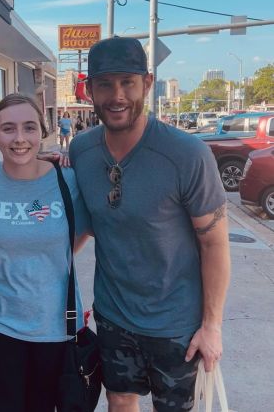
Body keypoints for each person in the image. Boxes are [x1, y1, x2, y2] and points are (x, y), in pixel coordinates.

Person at [69, 37, 230, 412]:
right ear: (89, 89)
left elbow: (215, 244)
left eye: (127, 82)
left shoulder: (187, 154)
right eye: (105, 84)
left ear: (147, 82)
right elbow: (90, 223)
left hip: (177, 325)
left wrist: (212, 326)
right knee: (120, 399)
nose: (117, 95)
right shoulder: (81, 150)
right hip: (113, 315)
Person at [0, 94, 90, 412]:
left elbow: (83, 231)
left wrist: (52, 258)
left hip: (58, 326)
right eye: (8, 129)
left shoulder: (69, 180)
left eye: (29, 127)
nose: (19, 138)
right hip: (0, 324)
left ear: (42, 132)